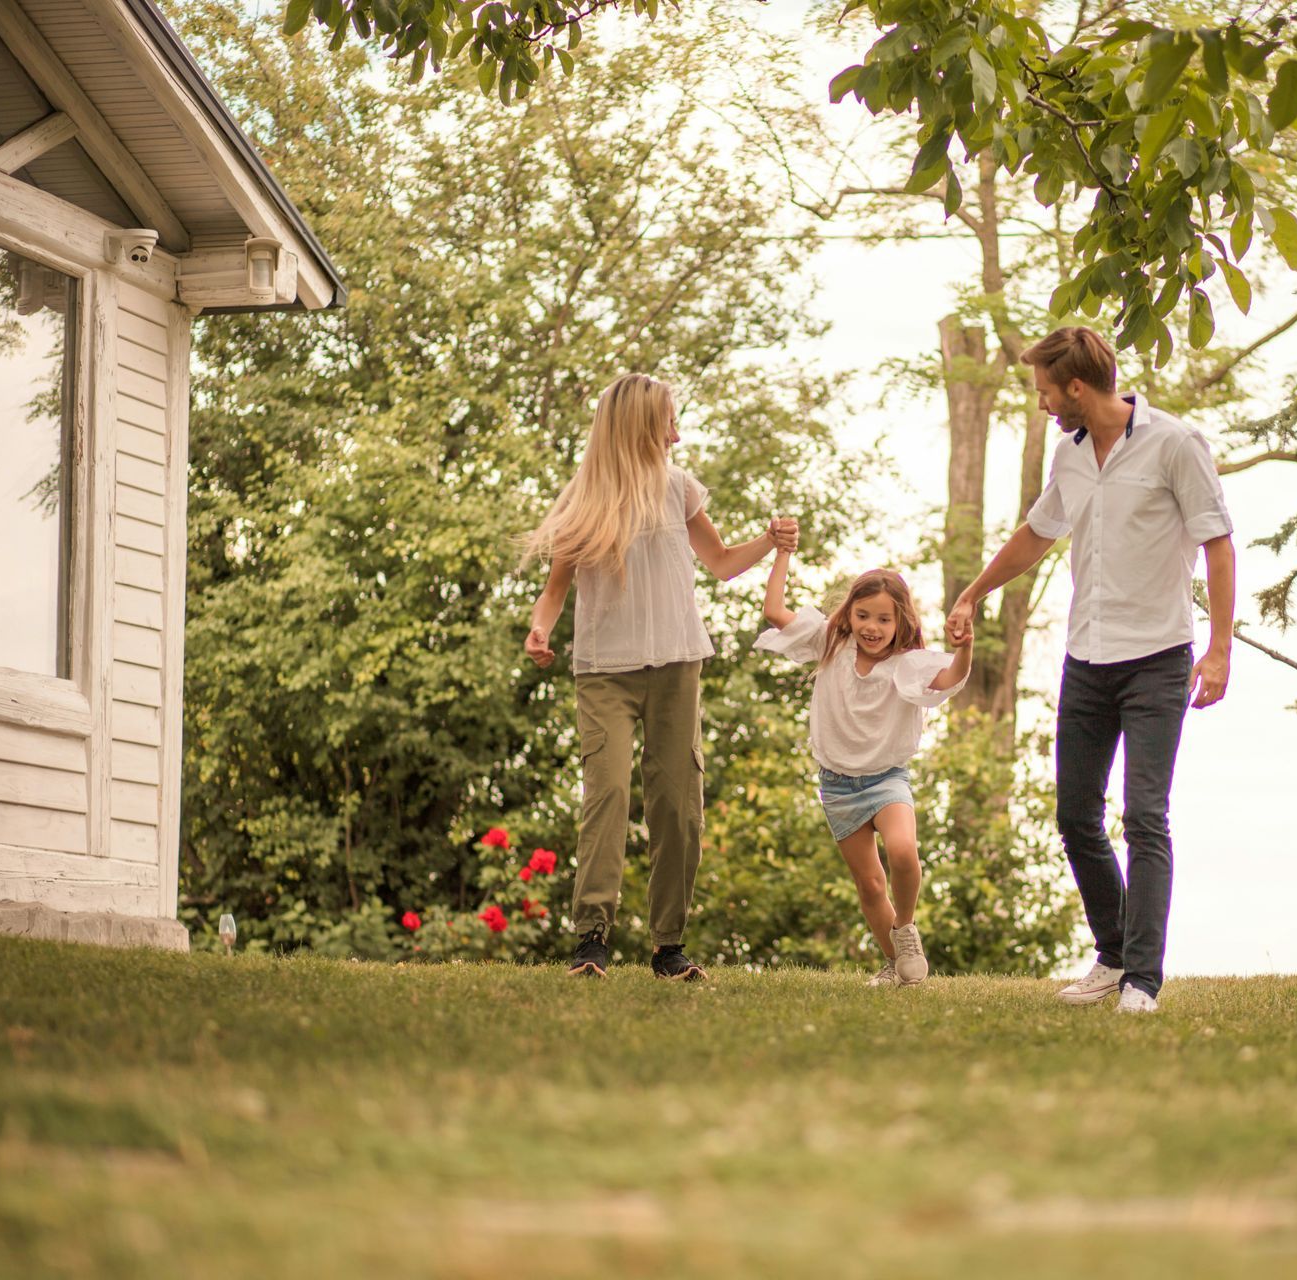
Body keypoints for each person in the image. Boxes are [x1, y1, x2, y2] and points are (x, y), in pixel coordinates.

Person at [946, 327, 1235, 1014]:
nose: (1041, 402)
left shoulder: (1175, 444)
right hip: (1087, 659)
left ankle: (1143, 980)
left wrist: (1219, 648)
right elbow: (1037, 533)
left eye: (1045, 390)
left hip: (1158, 659)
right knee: (1075, 815)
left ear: (1075, 386)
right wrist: (973, 592)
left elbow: (1218, 547)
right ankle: (1112, 954)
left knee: (1144, 817)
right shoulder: (1069, 456)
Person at [521, 372, 795, 981]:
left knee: (677, 804)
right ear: (642, 427)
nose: (678, 431)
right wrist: (540, 629)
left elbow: (722, 565)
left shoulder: (680, 491)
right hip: (604, 671)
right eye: (670, 419)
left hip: (677, 663)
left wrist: (770, 541)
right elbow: (554, 591)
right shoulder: (584, 500)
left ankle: (668, 944)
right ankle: (591, 937)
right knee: (610, 793)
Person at [755, 549, 972, 987]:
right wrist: (783, 552)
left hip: (886, 779)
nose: (872, 627)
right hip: (837, 785)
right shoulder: (829, 643)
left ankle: (904, 929)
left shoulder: (907, 666)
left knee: (903, 851)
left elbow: (950, 679)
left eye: (884, 620)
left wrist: (964, 647)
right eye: (863, 615)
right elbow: (774, 611)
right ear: (849, 614)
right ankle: (896, 967)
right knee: (871, 886)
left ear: (901, 623)